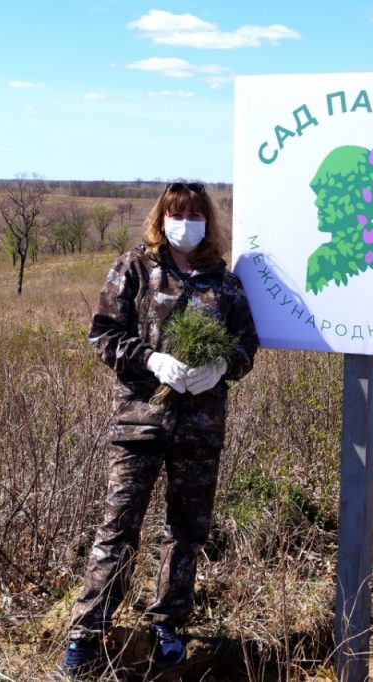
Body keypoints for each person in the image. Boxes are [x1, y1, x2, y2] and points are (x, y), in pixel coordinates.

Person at [61, 181, 259, 677]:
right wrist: (150, 359)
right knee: (119, 527)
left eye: (194, 214)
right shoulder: (135, 267)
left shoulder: (225, 283)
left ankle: (168, 623)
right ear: (162, 217)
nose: (185, 223)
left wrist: (223, 366)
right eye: (176, 213)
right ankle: (87, 634)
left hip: (200, 429)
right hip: (140, 423)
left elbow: (246, 347)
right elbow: (103, 334)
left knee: (187, 531)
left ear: (207, 221)